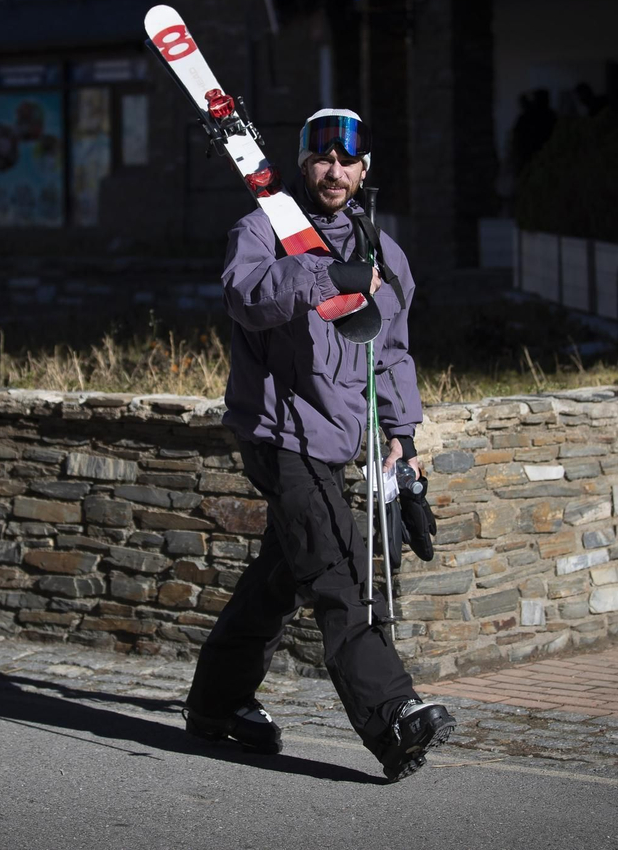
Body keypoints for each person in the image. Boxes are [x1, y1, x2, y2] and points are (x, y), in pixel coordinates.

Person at [183, 107, 455, 782]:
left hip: (336, 437)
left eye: (347, 161)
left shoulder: (384, 254)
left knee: (282, 575)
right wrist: (322, 277)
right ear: (303, 165)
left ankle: (216, 705)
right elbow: (245, 296)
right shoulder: (262, 232)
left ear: (365, 170)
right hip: (278, 432)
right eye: (321, 159)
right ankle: (391, 715)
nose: (334, 172)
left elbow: (390, 352)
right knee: (336, 566)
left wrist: (402, 435)